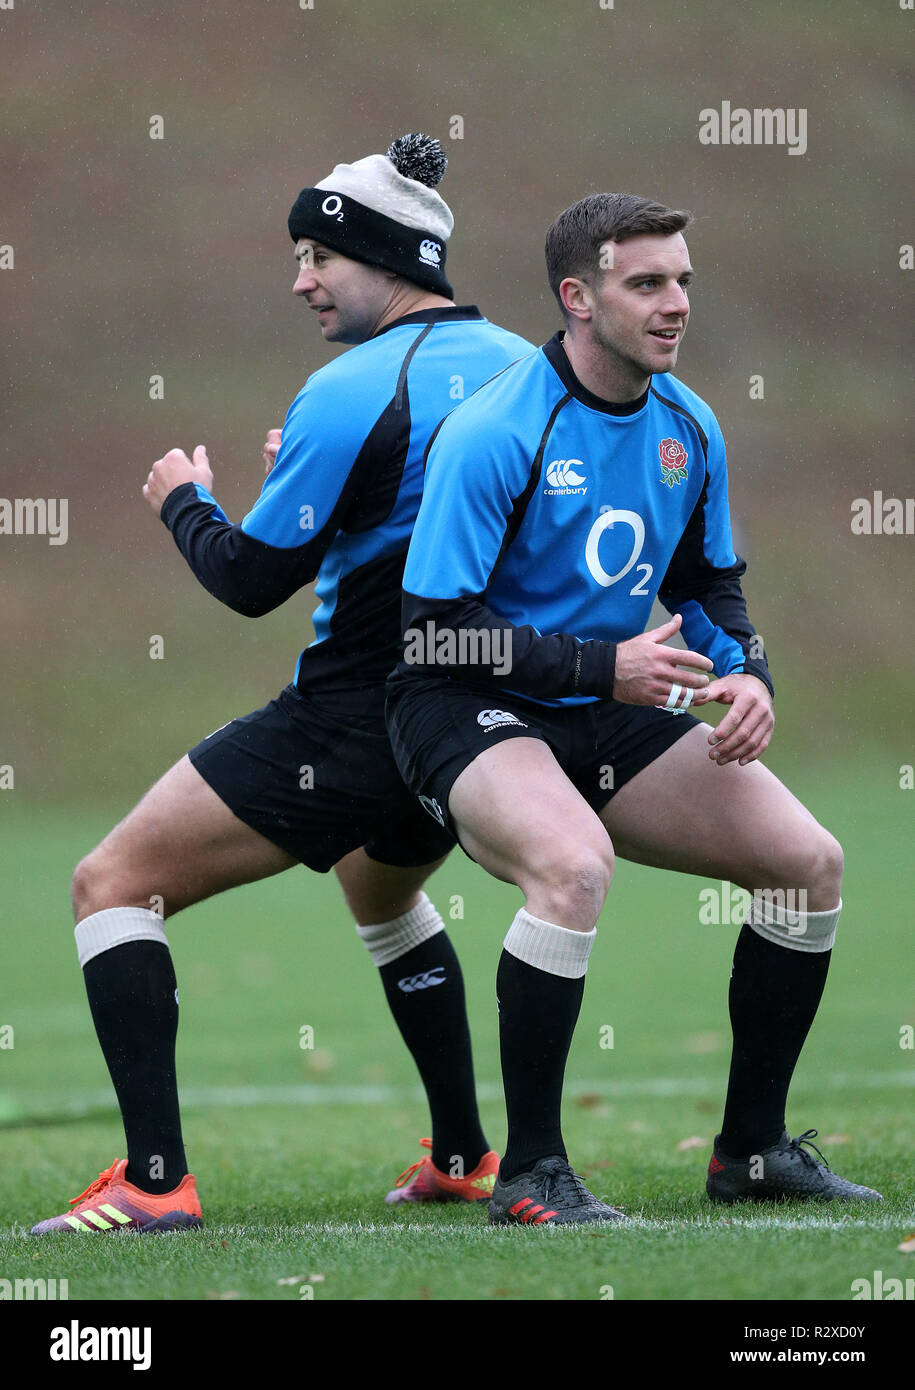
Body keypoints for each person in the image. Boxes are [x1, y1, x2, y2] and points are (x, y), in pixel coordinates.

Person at [30, 134, 533, 1235]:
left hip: (355, 716)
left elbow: (251, 579)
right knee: (381, 890)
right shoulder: (524, 365)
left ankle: (153, 1182)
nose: (302, 280)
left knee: (109, 882)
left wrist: (184, 498)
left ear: (391, 256)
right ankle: (461, 1154)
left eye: (320, 256)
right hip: (475, 717)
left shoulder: (352, 384)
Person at [385, 192, 882, 1226]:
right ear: (577, 297)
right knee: (572, 868)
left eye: (684, 281)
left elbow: (710, 584)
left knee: (809, 863)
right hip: (462, 704)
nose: (675, 304)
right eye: (647, 282)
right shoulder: (497, 430)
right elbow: (430, 633)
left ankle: (751, 1151)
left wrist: (747, 670)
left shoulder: (688, 425)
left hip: (602, 700)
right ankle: (530, 1174)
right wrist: (595, 663)